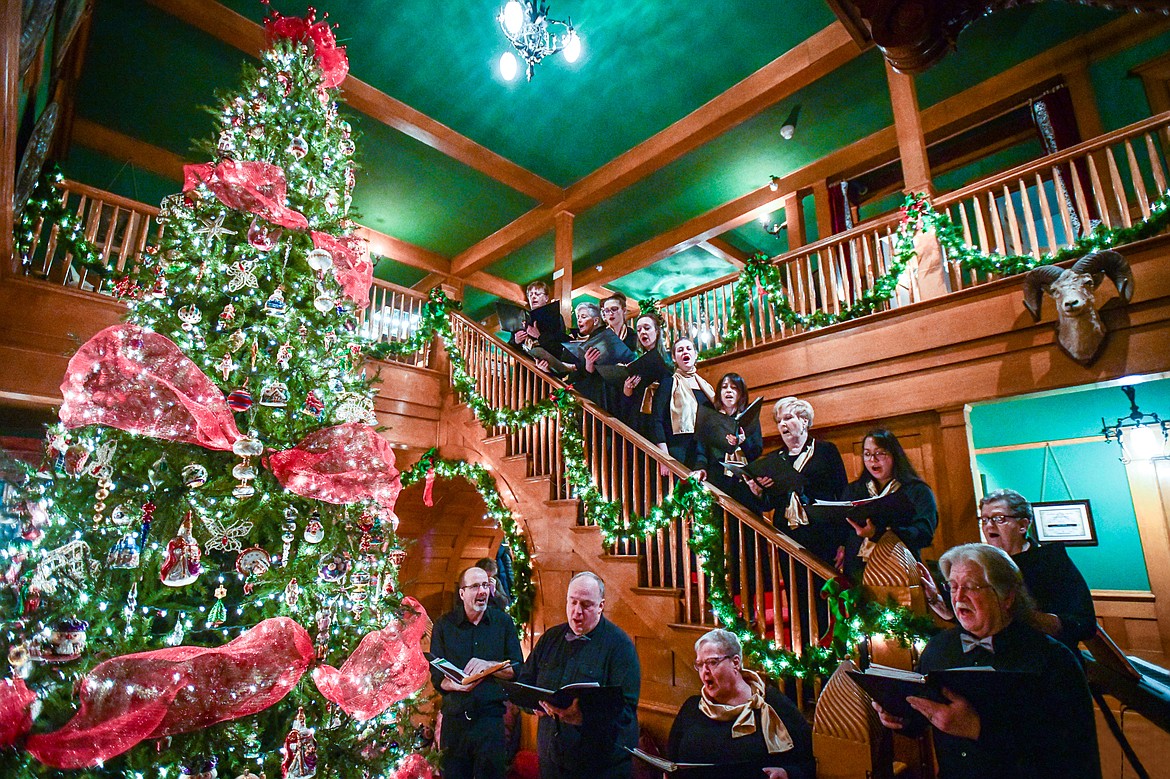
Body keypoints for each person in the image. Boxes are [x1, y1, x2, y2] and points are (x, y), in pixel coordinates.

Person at [873, 543, 1101, 779]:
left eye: (971, 587)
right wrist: (900, 716)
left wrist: (978, 728)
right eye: (952, 587)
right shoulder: (938, 648)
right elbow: (927, 715)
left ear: (1007, 596)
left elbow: (1072, 755)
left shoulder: (1052, 660)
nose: (958, 597)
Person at [918, 489, 1096, 654]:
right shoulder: (979, 564)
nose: (989, 526)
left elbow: (1084, 624)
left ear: (1023, 525)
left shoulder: (1051, 561)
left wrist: (1025, 616)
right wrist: (938, 603)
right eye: (985, 519)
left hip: (1046, 661)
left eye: (999, 518)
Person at [516, 572, 640, 779]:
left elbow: (626, 711)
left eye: (586, 605)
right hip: (551, 761)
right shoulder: (551, 638)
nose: (576, 612)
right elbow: (524, 683)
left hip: (599, 767)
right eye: (572, 602)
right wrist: (532, 704)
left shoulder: (620, 647)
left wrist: (581, 718)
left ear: (601, 606)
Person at [667, 629, 814, 779]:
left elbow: (808, 765)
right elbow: (670, 763)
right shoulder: (692, 708)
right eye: (699, 664)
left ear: (735, 662)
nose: (705, 671)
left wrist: (786, 773)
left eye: (712, 662)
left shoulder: (773, 704)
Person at [430, 566, 525, 779]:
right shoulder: (444, 626)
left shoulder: (503, 622)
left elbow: (518, 669)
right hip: (455, 724)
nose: (482, 591)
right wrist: (455, 685)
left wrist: (490, 666)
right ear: (462, 593)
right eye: (475, 586)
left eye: (486, 585)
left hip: (490, 723)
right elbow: (437, 678)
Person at [749, 397, 847, 563]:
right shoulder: (775, 458)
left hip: (823, 533)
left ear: (804, 420)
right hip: (787, 535)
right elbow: (770, 504)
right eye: (779, 421)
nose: (782, 424)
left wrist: (844, 542)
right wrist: (758, 492)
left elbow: (843, 494)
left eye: (788, 418)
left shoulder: (825, 451)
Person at [842, 429, 937, 579]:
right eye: (867, 454)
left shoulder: (916, 490)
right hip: (858, 570)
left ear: (894, 455)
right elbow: (842, 528)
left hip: (900, 570)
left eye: (880, 453)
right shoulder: (854, 490)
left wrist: (879, 533)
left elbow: (924, 533)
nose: (873, 460)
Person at [651, 337, 716, 476]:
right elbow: (657, 419)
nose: (685, 352)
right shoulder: (669, 383)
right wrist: (664, 457)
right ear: (674, 358)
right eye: (680, 350)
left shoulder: (706, 386)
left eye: (688, 348)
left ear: (695, 354)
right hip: (678, 451)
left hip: (703, 454)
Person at [566, 301, 635, 412]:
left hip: (615, 392)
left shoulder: (626, 336)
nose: (579, 320)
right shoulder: (589, 342)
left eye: (583, 316)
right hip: (600, 393)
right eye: (578, 317)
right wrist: (588, 366)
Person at [618, 313, 669, 440]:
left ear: (657, 331)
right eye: (639, 329)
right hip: (640, 423)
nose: (642, 332)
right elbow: (629, 404)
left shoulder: (668, 360)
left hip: (663, 421)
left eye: (647, 328)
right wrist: (627, 391)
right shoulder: (635, 360)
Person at [512, 281, 569, 356]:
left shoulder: (556, 317)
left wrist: (538, 336)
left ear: (546, 298)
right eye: (530, 295)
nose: (533, 297)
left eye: (537, 294)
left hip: (546, 363)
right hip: (524, 364)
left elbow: (560, 345)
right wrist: (516, 341)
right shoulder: (521, 318)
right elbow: (510, 346)